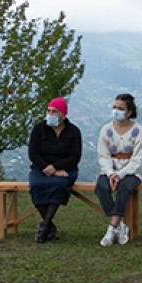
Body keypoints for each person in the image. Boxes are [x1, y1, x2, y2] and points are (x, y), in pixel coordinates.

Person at [27, 97, 82, 243]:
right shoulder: (39, 129)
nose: (50, 114)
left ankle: (44, 227)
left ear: (63, 115)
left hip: (66, 168)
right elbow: (33, 153)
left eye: (54, 111)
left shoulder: (73, 131)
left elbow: (74, 157)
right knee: (36, 186)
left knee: (59, 185)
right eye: (49, 111)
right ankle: (49, 227)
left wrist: (56, 167)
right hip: (41, 167)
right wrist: (48, 168)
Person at [95, 94, 142, 247]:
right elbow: (103, 155)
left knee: (124, 188)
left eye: (120, 108)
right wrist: (111, 173)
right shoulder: (106, 129)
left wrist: (120, 174)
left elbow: (137, 160)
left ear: (129, 112)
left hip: (131, 172)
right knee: (101, 187)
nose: (116, 110)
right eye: (114, 107)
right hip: (109, 170)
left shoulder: (139, 131)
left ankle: (112, 228)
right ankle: (120, 225)